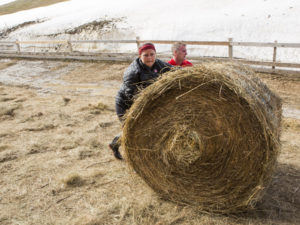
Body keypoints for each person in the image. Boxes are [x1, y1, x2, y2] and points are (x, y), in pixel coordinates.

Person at [109, 43, 172, 160]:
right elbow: (131, 95)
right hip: (126, 104)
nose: (149, 58)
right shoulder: (133, 72)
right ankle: (117, 146)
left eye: (152, 54)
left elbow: (174, 71)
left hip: (145, 101)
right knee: (132, 131)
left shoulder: (158, 63)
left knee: (143, 129)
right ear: (140, 56)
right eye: (146, 55)